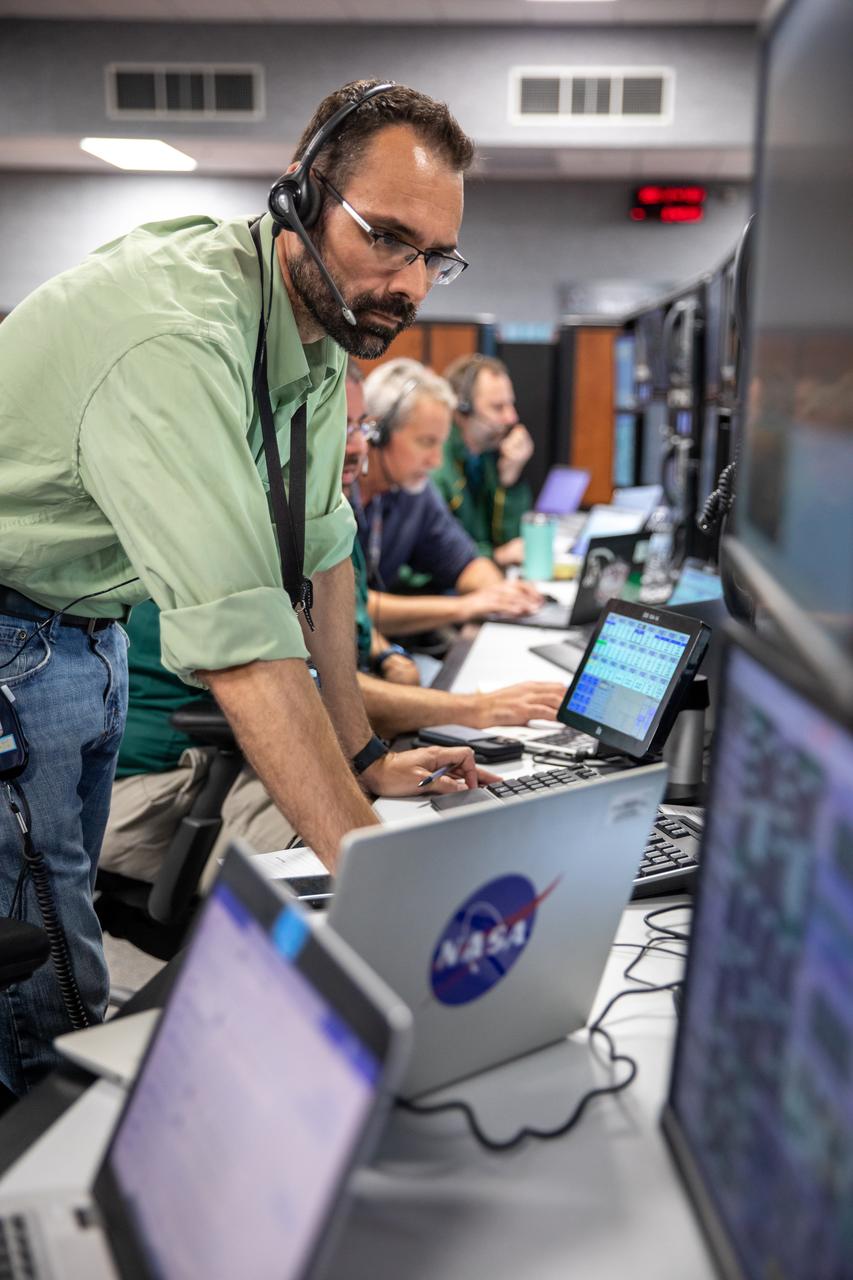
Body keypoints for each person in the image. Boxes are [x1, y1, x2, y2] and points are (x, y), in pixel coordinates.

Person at [0, 79, 484, 1094]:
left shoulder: (308, 326)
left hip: (85, 630)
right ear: (302, 193)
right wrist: (388, 897)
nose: (411, 283)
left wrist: (360, 759)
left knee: (60, 922)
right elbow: (248, 649)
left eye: (434, 256)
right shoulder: (178, 334)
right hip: (12, 637)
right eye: (388, 238)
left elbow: (322, 560)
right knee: (41, 987)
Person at [100, 361, 565, 886]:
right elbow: (307, 692)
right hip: (175, 777)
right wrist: (477, 709)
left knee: (427, 824)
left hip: (236, 755)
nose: (357, 446)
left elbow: (341, 653)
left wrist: (386, 670)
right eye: (338, 425)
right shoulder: (252, 526)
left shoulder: (324, 517)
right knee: (387, 864)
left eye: (359, 427)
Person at [352, 358, 543, 640]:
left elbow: (465, 561)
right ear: (377, 433)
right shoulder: (336, 495)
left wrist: (501, 593)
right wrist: (465, 606)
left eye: (440, 443)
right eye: (426, 442)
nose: (436, 460)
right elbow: (347, 609)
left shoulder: (415, 493)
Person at [436, 354, 535, 567]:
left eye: (511, 405)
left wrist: (510, 481)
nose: (512, 418)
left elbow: (510, 542)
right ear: (463, 410)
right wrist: (496, 557)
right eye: (498, 407)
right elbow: (436, 555)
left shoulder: (487, 458)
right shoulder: (435, 463)